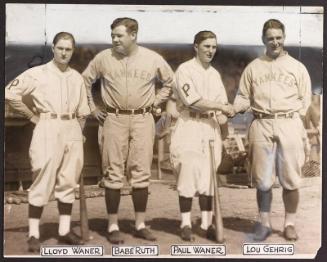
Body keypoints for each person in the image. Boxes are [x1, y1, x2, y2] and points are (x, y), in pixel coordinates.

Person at [82, 17, 175, 244]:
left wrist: (157, 101)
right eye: (112, 35)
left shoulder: (152, 58)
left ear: (133, 35)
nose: (115, 39)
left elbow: (170, 81)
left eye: (119, 35)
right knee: (113, 173)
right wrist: (92, 108)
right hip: (113, 118)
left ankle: (140, 224)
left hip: (143, 118)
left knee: (141, 172)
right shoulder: (103, 58)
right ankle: (113, 225)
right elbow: (84, 80)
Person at [5, 32, 90, 252]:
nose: (64, 53)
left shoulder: (76, 77)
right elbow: (10, 93)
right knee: (42, 176)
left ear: (73, 51)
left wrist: (78, 132)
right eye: (60, 48)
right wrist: (31, 116)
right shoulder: (37, 73)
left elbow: (82, 112)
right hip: (47, 125)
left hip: (71, 126)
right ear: (53, 48)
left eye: (68, 49)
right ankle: (34, 233)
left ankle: (63, 231)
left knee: (68, 180)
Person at [231, 19, 311, 241]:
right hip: (261, 123)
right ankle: (264, 223)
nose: (275, 42)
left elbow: (305, 100)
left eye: (278, 37)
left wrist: (294, 120)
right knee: (263, 180)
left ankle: (289, 223)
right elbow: (243, 97)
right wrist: (231, 109)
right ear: (263, 39)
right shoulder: (253, 67)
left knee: (291, 178)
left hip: (288, 122)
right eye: (270, 38)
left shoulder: (297, 67)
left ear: (284, 38)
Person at [169, 31, 233, 241]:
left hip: (210, 126)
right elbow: (193, 101)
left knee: (208, 176)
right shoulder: (185, 69)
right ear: (195, 46)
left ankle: (206, 224)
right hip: (190, 122)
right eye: (206, 46)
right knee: (187, 171)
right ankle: (186, 223)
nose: (210, 51)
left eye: (214, 47)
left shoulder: (214, 74)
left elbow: (222, 107)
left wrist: (226, 116)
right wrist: (221, 106)